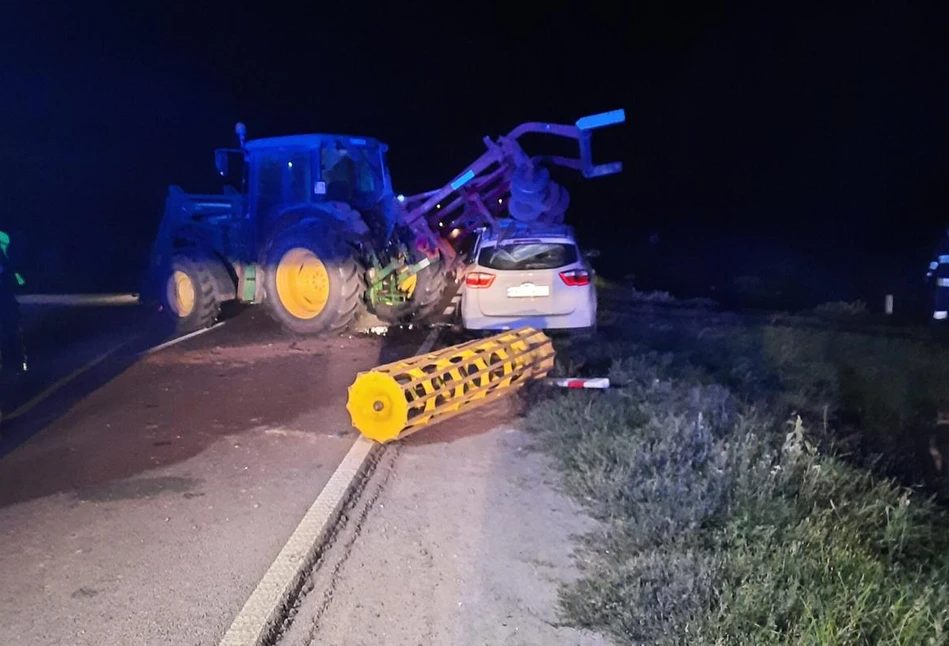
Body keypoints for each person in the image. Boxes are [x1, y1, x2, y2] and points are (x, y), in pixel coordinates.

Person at [0, 230, 27, 375]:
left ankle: (17, 363)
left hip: (5, 297)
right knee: (10, 331)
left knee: (11, 331)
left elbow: (9, 272)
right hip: (6, 297)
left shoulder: (4, 255)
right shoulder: (5, 254)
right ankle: (16, 363)